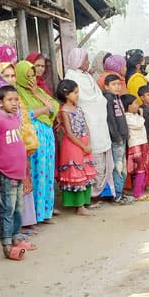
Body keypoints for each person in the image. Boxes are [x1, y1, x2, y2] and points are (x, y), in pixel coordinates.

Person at [0, 83, 31, 259]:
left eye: (16, 99)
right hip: (6, 172)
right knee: (7, 208)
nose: (14, 103)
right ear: (0, 102)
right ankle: (7, 242)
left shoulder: (15, 119)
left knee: (18, 207)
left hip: (18, 172)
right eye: (10, 100)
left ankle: (17, 237)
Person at [65, 47, 113, 204]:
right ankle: (91, 196)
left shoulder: (88, 76)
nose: (87, 62)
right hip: (88, 124)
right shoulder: (71, 77)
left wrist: (99, 102)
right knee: (91, 161)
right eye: (85, 59)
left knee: (105, 160)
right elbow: (83, 101)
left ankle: (102, 193)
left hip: (100, 124)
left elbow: (98, 97)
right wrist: (96, 102)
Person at [14, 60, 59, 222]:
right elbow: (26, 114)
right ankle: (35, 215)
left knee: (46, 173)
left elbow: (54, 107)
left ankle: (45, 212)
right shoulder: (17, 94)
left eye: (33, 75)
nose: (32, 79)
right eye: (28, 76)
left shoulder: (37, 90)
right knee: (35, 174)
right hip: (32, 140)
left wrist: (37, 95)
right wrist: (44, 109)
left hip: (47, 138)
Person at [55, 79, 97, 213]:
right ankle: (79, 206)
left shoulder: (78, 108)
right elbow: (69, 133)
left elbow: (86, 126)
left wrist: (88, 142)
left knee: (86, 171)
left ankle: (86, 201)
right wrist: (83, 146)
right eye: (75, 92)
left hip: (84, 142)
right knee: (76, 173)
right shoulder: (64, 111)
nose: (77, 95)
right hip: (73, 145)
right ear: (66, 94)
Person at [104, 73, 132, 201]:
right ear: (106, 86)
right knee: (118, 166)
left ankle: (119, 192)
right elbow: (110, 119)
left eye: (118, 84)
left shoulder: (117, 98)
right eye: (113, 84)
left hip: (122, 136)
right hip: (117, 139)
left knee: (122, 166)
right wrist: (116, 136)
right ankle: (117, 194)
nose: (117, 87)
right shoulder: (108, 99)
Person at [123, 93, 149, 199]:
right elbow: (139, 124)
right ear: (128, 106)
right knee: (139, 169)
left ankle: (140, 190)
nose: (137, 105)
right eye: (134, 103)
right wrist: (142, 115)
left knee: (144, 167)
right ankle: (137, 193)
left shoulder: (135, 115)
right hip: (135, 145)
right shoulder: (127, 117)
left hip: (142, 143)